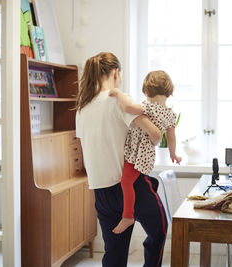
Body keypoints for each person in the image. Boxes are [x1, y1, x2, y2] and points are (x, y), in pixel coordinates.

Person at [75, 52, 168, 267]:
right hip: (131, 186)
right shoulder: (119, 100)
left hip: (101, 191)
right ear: (116, 72)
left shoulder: (82, 108)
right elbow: (155, 136)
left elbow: (90, 146)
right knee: (160, 230)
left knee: (114, 254)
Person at [109, 70, 182, 234]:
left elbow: (127, 107)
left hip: (138, 153)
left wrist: (118, 93)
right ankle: (129, 213)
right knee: (131, 182)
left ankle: (128, 216)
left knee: (126, 182)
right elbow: (171, 137)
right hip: (147, 155)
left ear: (147, 91)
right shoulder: (170, 114)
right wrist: (173, 154)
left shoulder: (147, 107)